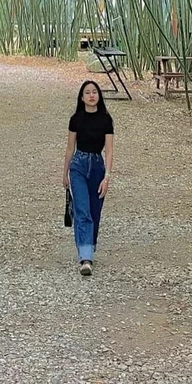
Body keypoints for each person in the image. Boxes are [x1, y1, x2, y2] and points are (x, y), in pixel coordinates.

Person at [62, 79, 114, 276]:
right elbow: (69, 149)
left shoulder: (106, 120)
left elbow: (109, 151)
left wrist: (107, 177)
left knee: (94, 212)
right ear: (81, 98)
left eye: (94, 92)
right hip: (79, 166)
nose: (91, 95)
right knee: (82, 210)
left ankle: (88, 246)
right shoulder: (76, 119)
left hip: (98, 167)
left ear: (98, 96)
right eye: (87, 92)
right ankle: (85, 258)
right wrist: (65, 173)